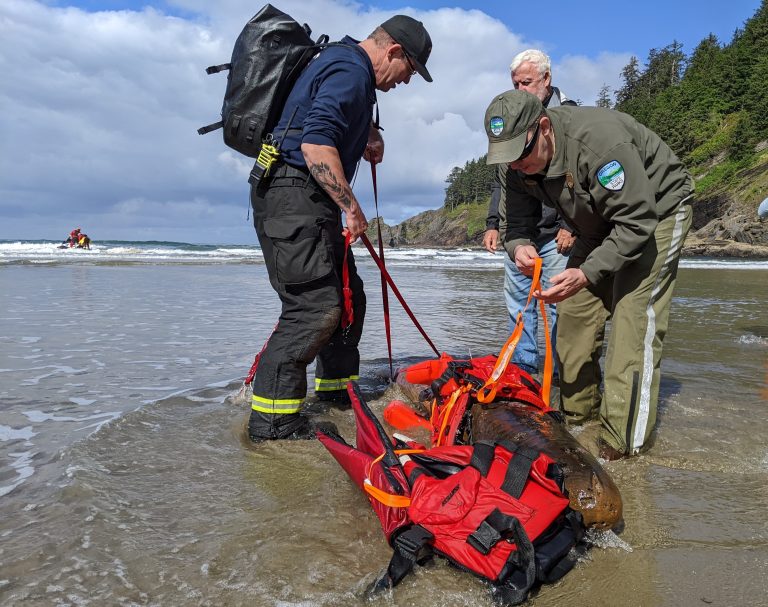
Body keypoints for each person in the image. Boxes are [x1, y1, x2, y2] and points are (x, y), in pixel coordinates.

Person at [247, 15, 433, 442]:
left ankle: (334, 392)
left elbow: (318, 111)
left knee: (351, 300)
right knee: (313, 309)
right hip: (293, 197)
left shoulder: (345, 66)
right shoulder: (350, 70)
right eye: (410, 71)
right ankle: (273, 424)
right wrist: (352, 207)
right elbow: (314, 147)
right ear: (393, 52)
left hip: (304, 198)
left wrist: (367, 130)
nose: (405, 83)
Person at [483, 90, 693, 459]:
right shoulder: (513, 160)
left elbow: (636, 221)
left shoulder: (599, 144)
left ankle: (622, 447)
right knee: (574, 318)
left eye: (520, 154)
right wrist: (519, 248)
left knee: (632, 325)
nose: (514, 165)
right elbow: (516, 223)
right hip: (595, 226)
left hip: (656, 214)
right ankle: (578, 420)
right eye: (506, 157)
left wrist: (586, 272)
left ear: (544, 127)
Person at [483, 50, 576, 376]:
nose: (520, 90)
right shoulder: (510, 119)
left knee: (556, 304)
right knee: (519, 305)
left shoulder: (567, 115)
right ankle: (523, 368)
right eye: (515, 83)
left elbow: (575, 179)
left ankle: (559, 371)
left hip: (557, 234)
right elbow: (503, 178)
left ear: (546, 79)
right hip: (520, 231)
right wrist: (494, 222)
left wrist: (569, 225)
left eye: (527, 82)